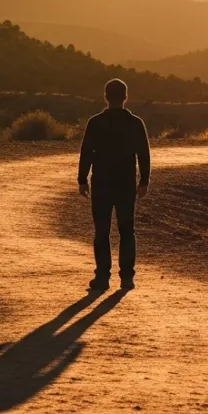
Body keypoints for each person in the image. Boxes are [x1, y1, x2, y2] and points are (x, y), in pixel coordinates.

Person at [77, 78, 151, 292]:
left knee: (102, 231)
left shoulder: (95, 122)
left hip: (101, 183)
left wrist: (82, 179)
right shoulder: (135, 123)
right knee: (127, 230)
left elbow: (86, 153)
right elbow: (143, 154)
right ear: (125, 97)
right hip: (125, 183)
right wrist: (144, 180)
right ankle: (126, 277)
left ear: (106, 97)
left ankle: (102, 277)